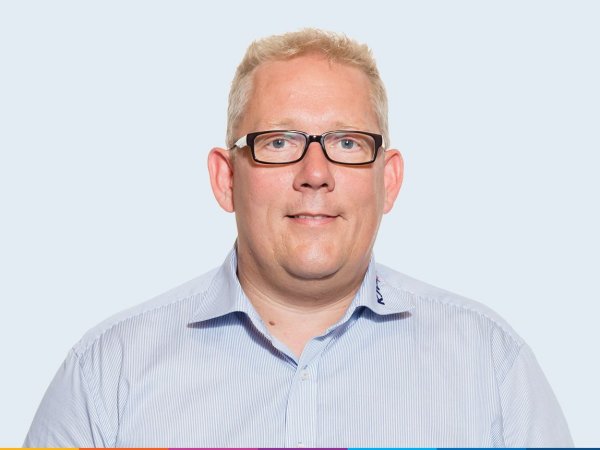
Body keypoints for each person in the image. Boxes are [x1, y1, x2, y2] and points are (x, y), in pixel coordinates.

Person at [24, 28, 573, 447]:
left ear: (388, 181)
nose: (315, 173)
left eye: (348, 143)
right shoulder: (106, 376)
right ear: (226, 178)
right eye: (279, 142)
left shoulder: (491, 367)